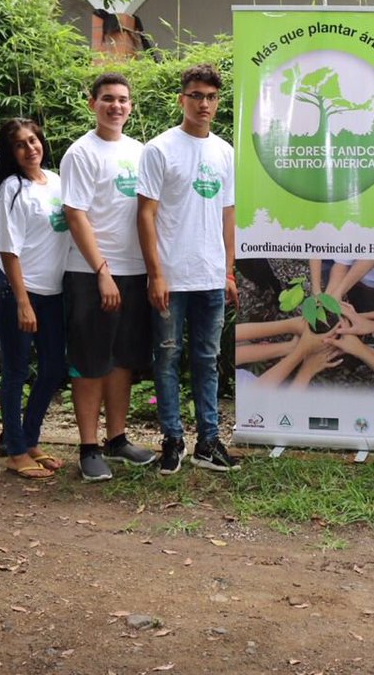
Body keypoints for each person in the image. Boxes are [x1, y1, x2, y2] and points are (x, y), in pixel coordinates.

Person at [137, 63, 239, 475]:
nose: (204, 104)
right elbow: (145, 215)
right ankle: (172, 439)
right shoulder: (159, 148)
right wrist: (155, 273)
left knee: (207, 358)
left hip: (211, 275)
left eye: (211, 97)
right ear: (182, 99)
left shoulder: (225, 151)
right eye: (196, 95)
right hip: (171, 276)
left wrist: (228, 271)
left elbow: (228, 214)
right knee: (166, 358)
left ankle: (208, 441)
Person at [61, 73, 157, 482]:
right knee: (90, 362)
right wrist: (102, 271)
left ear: (131, 107)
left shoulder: (142, 152)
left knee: (122, 361)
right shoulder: (80, 153)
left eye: (122, 100)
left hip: (134, 273)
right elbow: (75, 215)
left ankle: (117, 440)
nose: (115, 106)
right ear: (92, 104)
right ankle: (88, 448)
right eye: (107, 99)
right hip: (91, 274)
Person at [0, 119, 70, 479]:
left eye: (34, 140)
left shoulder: (56, 181)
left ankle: (30, 439)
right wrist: (22, 301)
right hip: (17, 291)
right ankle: (16, 451)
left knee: (54, 367)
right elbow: (8, 250)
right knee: (16, 370)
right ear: (11, 152)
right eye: (20, 144)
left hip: (53, 293)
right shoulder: (11, 188)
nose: (30, 148)